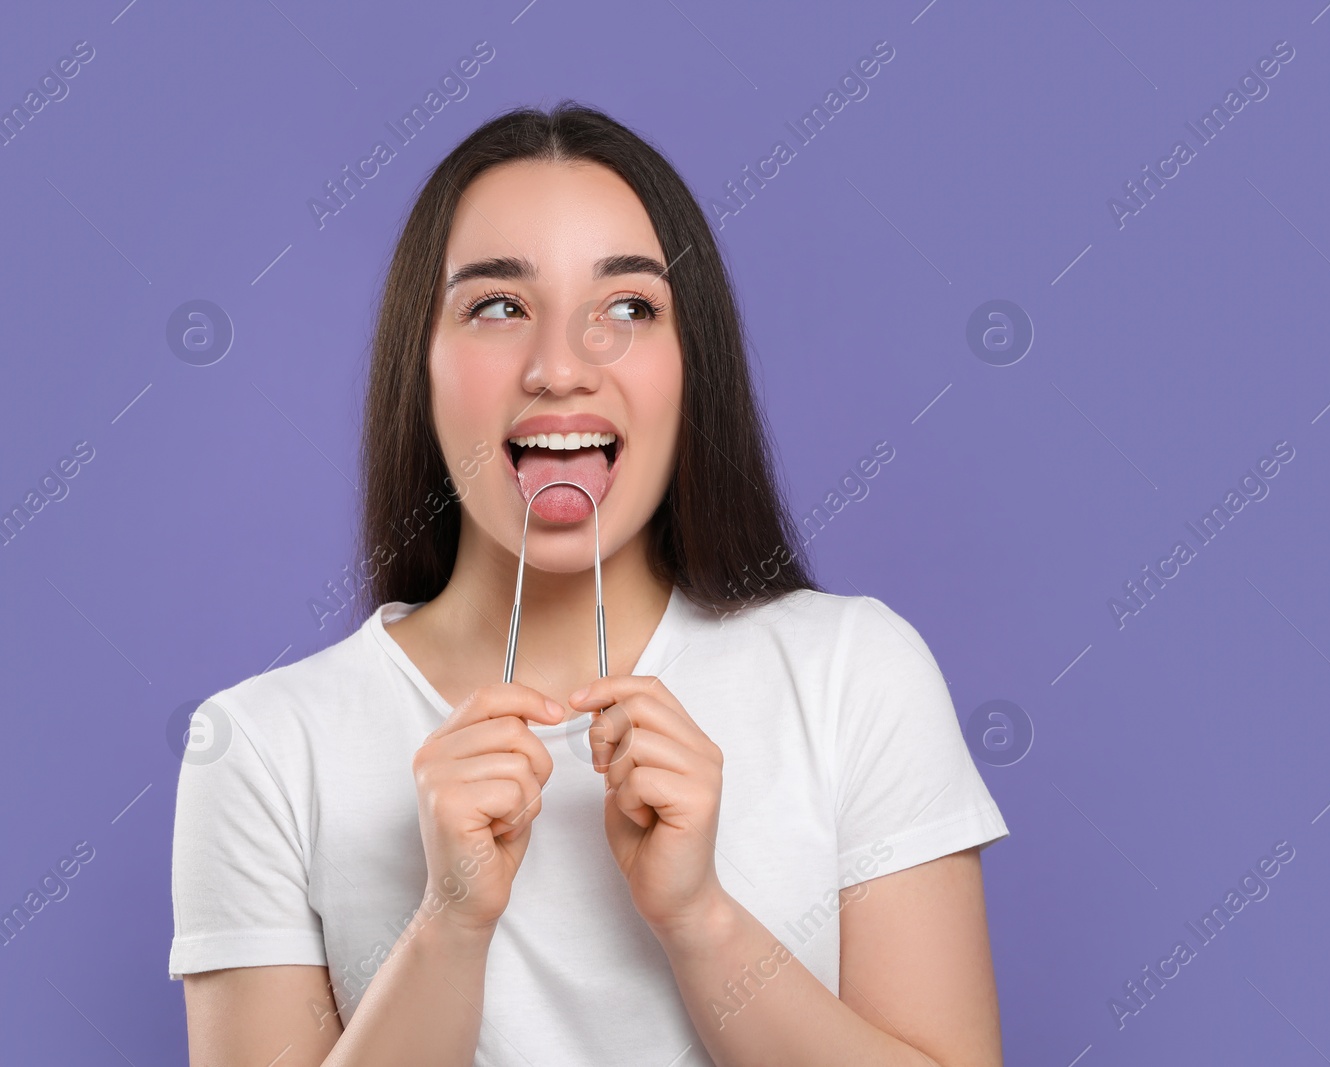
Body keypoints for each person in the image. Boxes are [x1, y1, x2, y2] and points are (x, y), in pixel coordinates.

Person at [170, 102, 1009, 1066]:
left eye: (628, 308)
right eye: (497, 305)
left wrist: (700, 920)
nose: (561, 367)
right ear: (421, 367)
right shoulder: (262, 748)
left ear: (694, 366)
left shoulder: (855, 674)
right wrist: (448, 924)